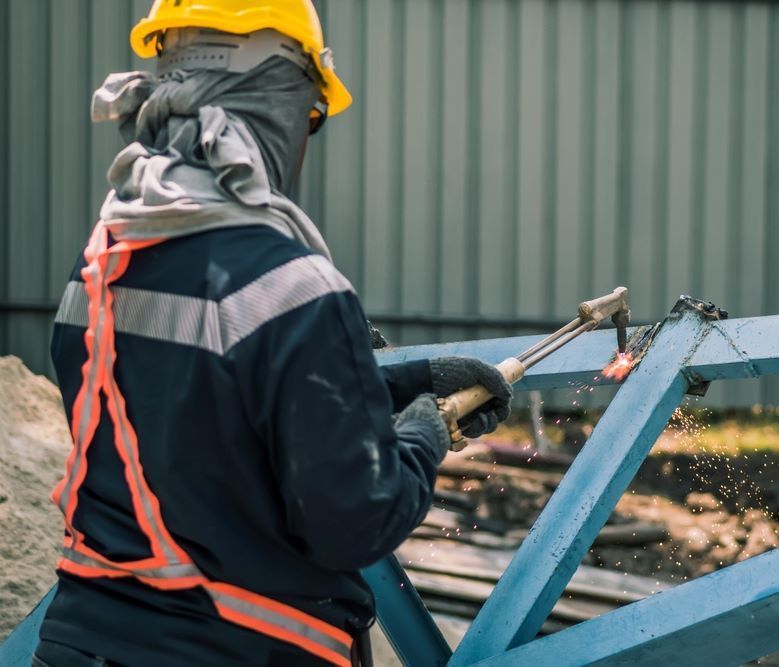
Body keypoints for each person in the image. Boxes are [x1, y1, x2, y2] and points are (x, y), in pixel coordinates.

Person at [35, 2, 512, 666]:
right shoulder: (294, 287)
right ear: (281, 102)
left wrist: (405, 382)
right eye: (312, 116)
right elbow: (356, 520)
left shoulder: (99, 266)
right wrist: (421, 440)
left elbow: (201, 407)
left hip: (79, 645)